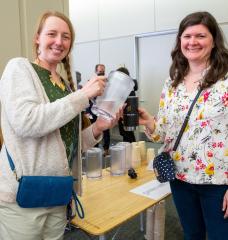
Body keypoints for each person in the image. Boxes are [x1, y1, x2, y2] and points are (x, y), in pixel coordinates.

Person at [0, 11, 120, 240]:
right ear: (37, 38)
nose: (59, 41)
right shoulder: (20, 68)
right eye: (52, 34)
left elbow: (67, 144)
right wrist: (83, 95)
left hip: (58, 192)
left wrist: (98, 128)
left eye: (66, 37)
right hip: (23, 196)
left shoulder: (64, 85)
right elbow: (27, 122)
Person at [138, 11, 228, 239]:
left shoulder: (225, 79)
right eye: (187, 36)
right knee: (191, 235)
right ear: (180, 41)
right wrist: (149, 122)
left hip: (218, 182)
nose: (192, 42)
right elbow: (164, 133)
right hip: (180, 179)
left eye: (201, 36)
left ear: (214, 40)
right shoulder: (173, 81)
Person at [116, 67, 137, 142]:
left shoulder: (128, 87)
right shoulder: (127, 86)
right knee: (125, 134)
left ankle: (132, 150)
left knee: (128, 134)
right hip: (124, 113)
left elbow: (127, 102)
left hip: (127, 114)